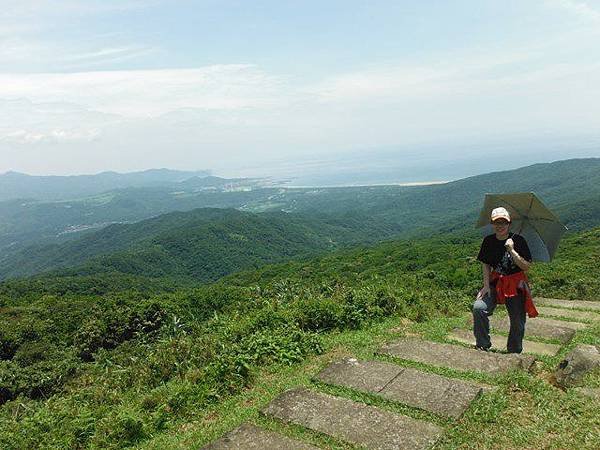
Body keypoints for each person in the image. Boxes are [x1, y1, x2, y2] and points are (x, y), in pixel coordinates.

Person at [473, 207, 537, 353]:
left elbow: (526, 266)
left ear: (509, 224)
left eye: (503, 222)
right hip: (496, 282)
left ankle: (514, 351)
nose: (500, 226)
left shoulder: (518, 240)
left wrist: (512, 250)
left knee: (517, 321)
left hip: (516, 285)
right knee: (479, 308)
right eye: (497, 222)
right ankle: (482, 344)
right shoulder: (488, 241)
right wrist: (486, 285)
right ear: (492, 223)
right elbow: (485, 263)